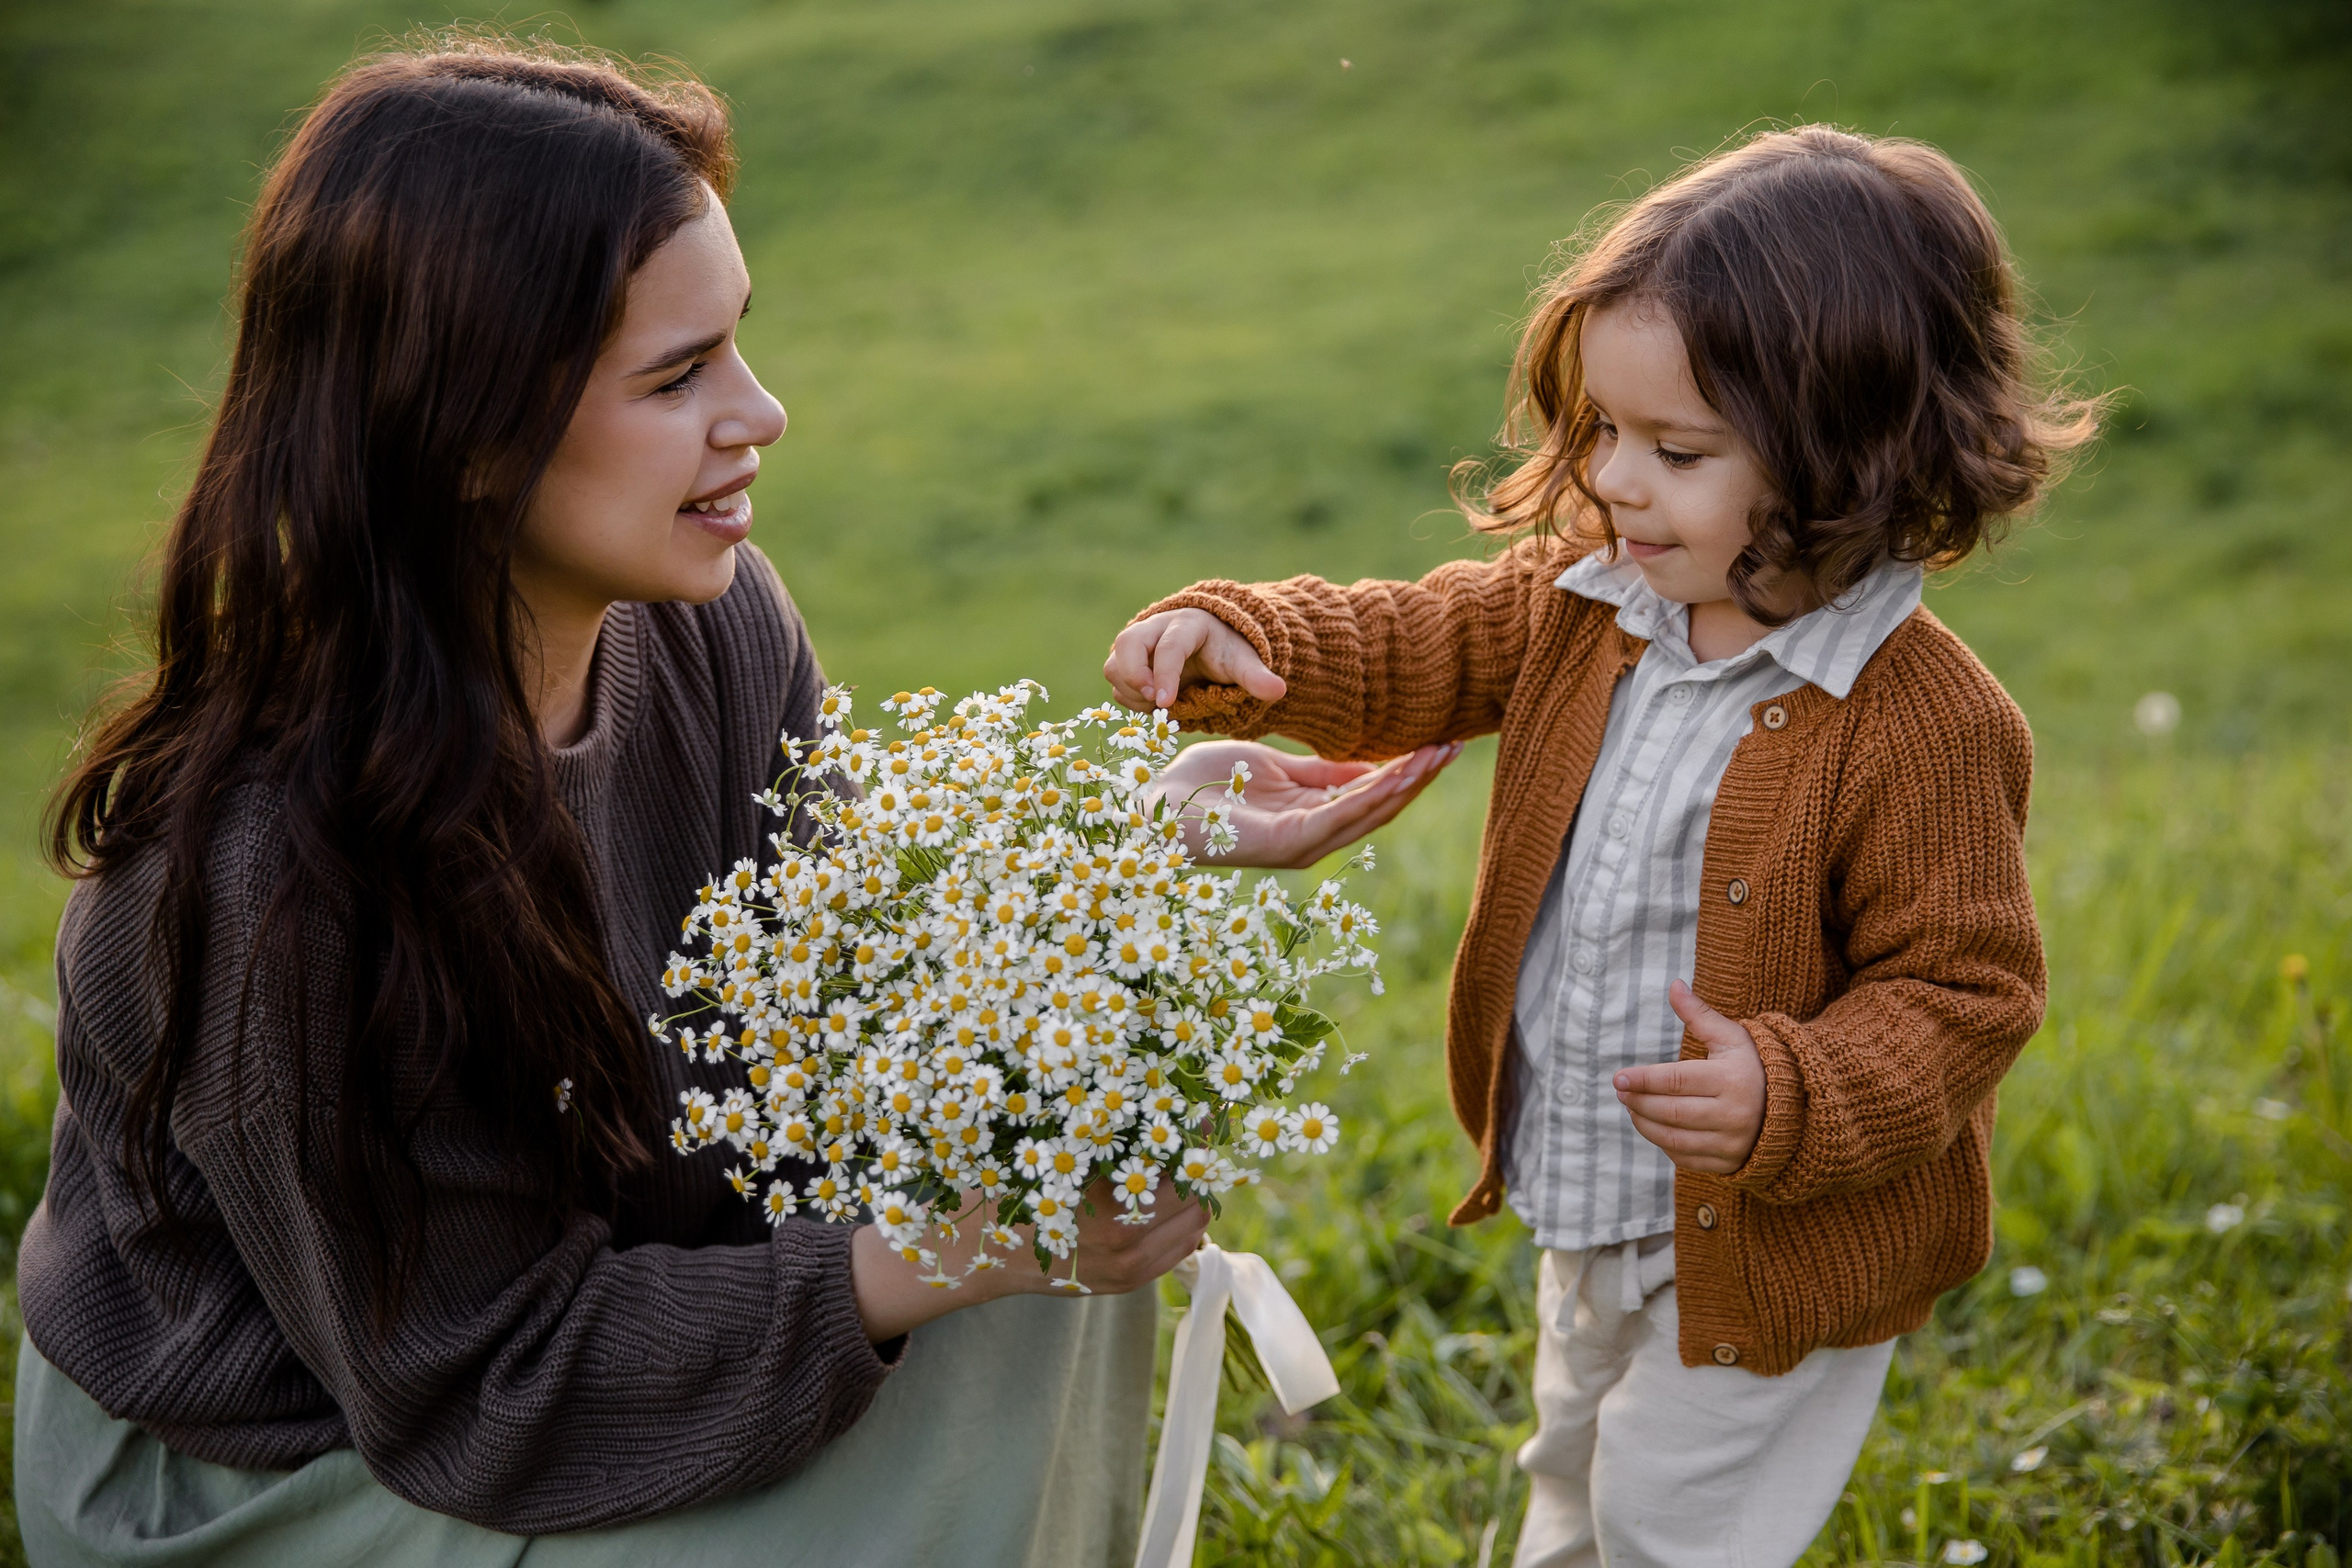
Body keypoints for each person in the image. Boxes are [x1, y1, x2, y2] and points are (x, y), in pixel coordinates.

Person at [16, 36, 1435, 1568]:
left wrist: (1117, 844)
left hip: (621, 1273)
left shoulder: (709, 622)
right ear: (469, 427)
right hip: (291, 1474)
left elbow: (845, 982)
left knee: (1063, 1173)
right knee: (994, 1257)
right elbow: (472, 1389)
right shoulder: (263, 872)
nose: (759, 415)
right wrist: (929, 1257)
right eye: (677, 376)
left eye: (736, 344)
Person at [1106, 126, 2099, 1566]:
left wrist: (1794, 1089)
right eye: (1603, 434)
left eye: (1676, 451)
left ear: (1853, 457)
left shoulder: (1919, 724)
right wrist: (1249, 636)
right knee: (1571, 1476)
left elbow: (1966, 994)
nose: (1618, 482)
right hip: (1596, 1196)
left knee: (1667, 1524)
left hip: (1771, 1234)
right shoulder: (1590, 600)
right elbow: (1420, 637)